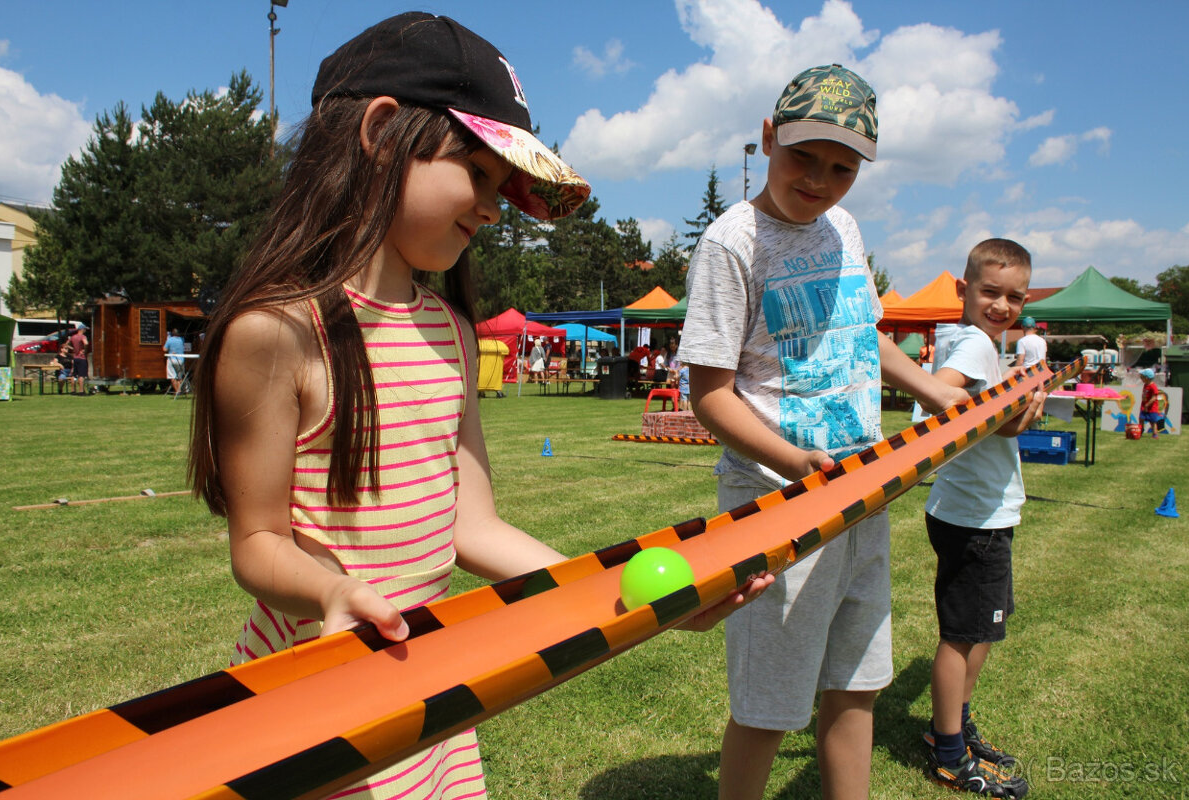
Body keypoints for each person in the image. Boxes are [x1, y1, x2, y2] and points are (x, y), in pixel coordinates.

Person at [187, 14, 765, 799]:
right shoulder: (278, 333)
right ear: (383, 132)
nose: (493, 209)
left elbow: (473, 526)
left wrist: (630, 598)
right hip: (315, 697)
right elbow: (256, 543)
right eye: (479, 174)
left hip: (424, 690)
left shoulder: (453, 333)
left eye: (503, 187)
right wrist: (330, 590)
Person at [679, 64, 969, 800]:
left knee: (857, 685)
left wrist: (939, 393)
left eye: (842, 168)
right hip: (778, 508)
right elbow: (708, 394)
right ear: (768, 137)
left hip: (863, 498)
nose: (819, 180)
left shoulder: (844, 227)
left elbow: (870, 340)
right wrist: (793, 461)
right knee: (769, 705)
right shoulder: (731, 243)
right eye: (803, 156)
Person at [922, 238, 1045, 798]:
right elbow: (941, 401)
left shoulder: (972, 340)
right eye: (990, 292)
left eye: (1014, 297)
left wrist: (1014, 406)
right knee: (963, 636)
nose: (1001, 305)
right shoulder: (973, 344)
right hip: (975, 517)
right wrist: (1012, 415)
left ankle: (957, 729)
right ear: (963, 290)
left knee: (982, 629)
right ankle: (948, 752)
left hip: (974, 512)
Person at [1138, 368, 1163, 438]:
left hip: (1152, 408)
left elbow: (1154, 397)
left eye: (1142, 377)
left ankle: (1155, 434)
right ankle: (1140, 430)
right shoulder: (1145, 385)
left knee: (1152, 421)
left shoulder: (1153, 386)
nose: (1140, 378)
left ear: (1146, 378)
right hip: (1144, 406)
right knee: (1141, 418)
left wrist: (1147, 404)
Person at [67, 324, 89, 395]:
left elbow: (66, 344)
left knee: (74, 375)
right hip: (81, 358)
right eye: (85, 329)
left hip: (75, 357)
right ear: (82, 329)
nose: (85, 330)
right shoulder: (83, 336)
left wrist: (73, 349)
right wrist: (84, 350)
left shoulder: (73, 337)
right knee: (81, 375)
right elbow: (86, 343)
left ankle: (73, 390)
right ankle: (81, 391)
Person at [164, 328, 186, 395]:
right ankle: (182, 390)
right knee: (180, 376)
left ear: (171, 334)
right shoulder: (182, 339)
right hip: (181, 359)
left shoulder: (169, 340)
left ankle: (177, 391)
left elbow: (164, 349)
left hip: (172, 359)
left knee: (172, 376)